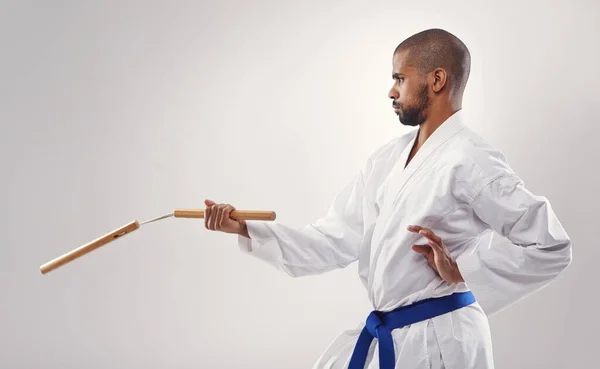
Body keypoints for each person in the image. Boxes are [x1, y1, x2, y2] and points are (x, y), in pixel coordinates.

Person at [202, 28, 572, 369]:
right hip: (394, 335)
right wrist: (245, 228)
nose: (391, 91)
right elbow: (332, 239)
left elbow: (551, 246)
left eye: (399, 78)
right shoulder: (387, 159)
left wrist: (463, 271)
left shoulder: (471, 159)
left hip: (442, 341)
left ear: (437, 80)